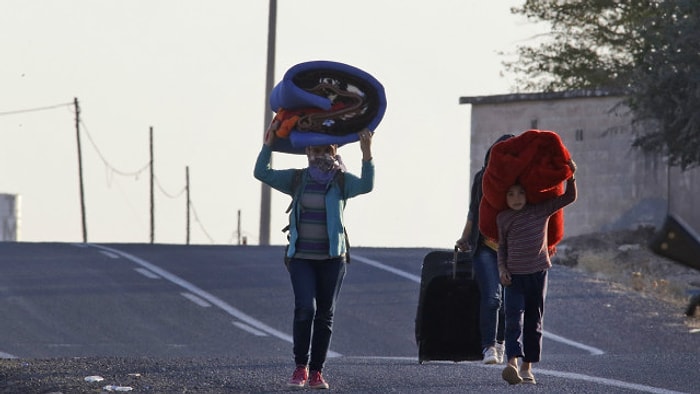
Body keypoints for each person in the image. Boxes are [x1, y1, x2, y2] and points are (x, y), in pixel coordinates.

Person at [254, 120, 375, 390]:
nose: (318, 155)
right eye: (314, 150)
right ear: (307, 152)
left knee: (325, 314)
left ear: (333, 150)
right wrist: (268, 144)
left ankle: (317, 372)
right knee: (304, 309)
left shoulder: (341, 181)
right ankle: (300, 367)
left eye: (324, 150)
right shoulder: (298, 178)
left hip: (333, 259)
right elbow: (262, 172)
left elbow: (367, 185)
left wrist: (367, 153)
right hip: (301, 258)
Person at [497, 159, 577, 385]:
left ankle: (527, 367)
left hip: (538, 274)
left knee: (534, 321)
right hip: (514, 276)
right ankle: (511, 362)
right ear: (504, 197)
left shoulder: (541, 210)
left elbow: (568, 197)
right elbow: (501, 247)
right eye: (511, 194)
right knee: (513, 319)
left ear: (528, 194)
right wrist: (502, 269)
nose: (516, 198)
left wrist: (571, 176)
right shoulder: (503, 218)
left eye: (520, 193)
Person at [456, 134, 513, 365]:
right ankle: (488, 347)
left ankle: (500, 343)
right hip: (486, 247)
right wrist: (465, 237)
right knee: (492, 298)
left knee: (509, 304)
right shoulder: (482, 178)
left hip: (513, 250)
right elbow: (473, 211)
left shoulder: (521, 182)